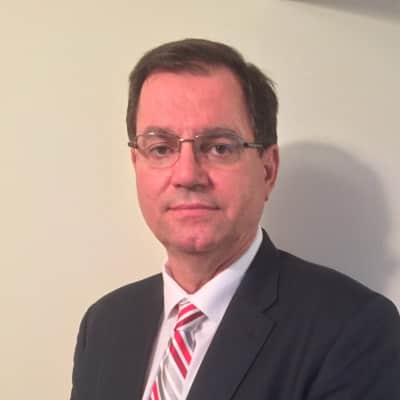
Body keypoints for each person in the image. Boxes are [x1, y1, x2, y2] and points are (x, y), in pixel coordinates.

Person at [70, 39, 400, 400]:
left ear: (267, 170)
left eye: (219, 147)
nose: (187, 175)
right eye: (161, 148)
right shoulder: (104, 325)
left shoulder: (353, 328)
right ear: (137, 164)